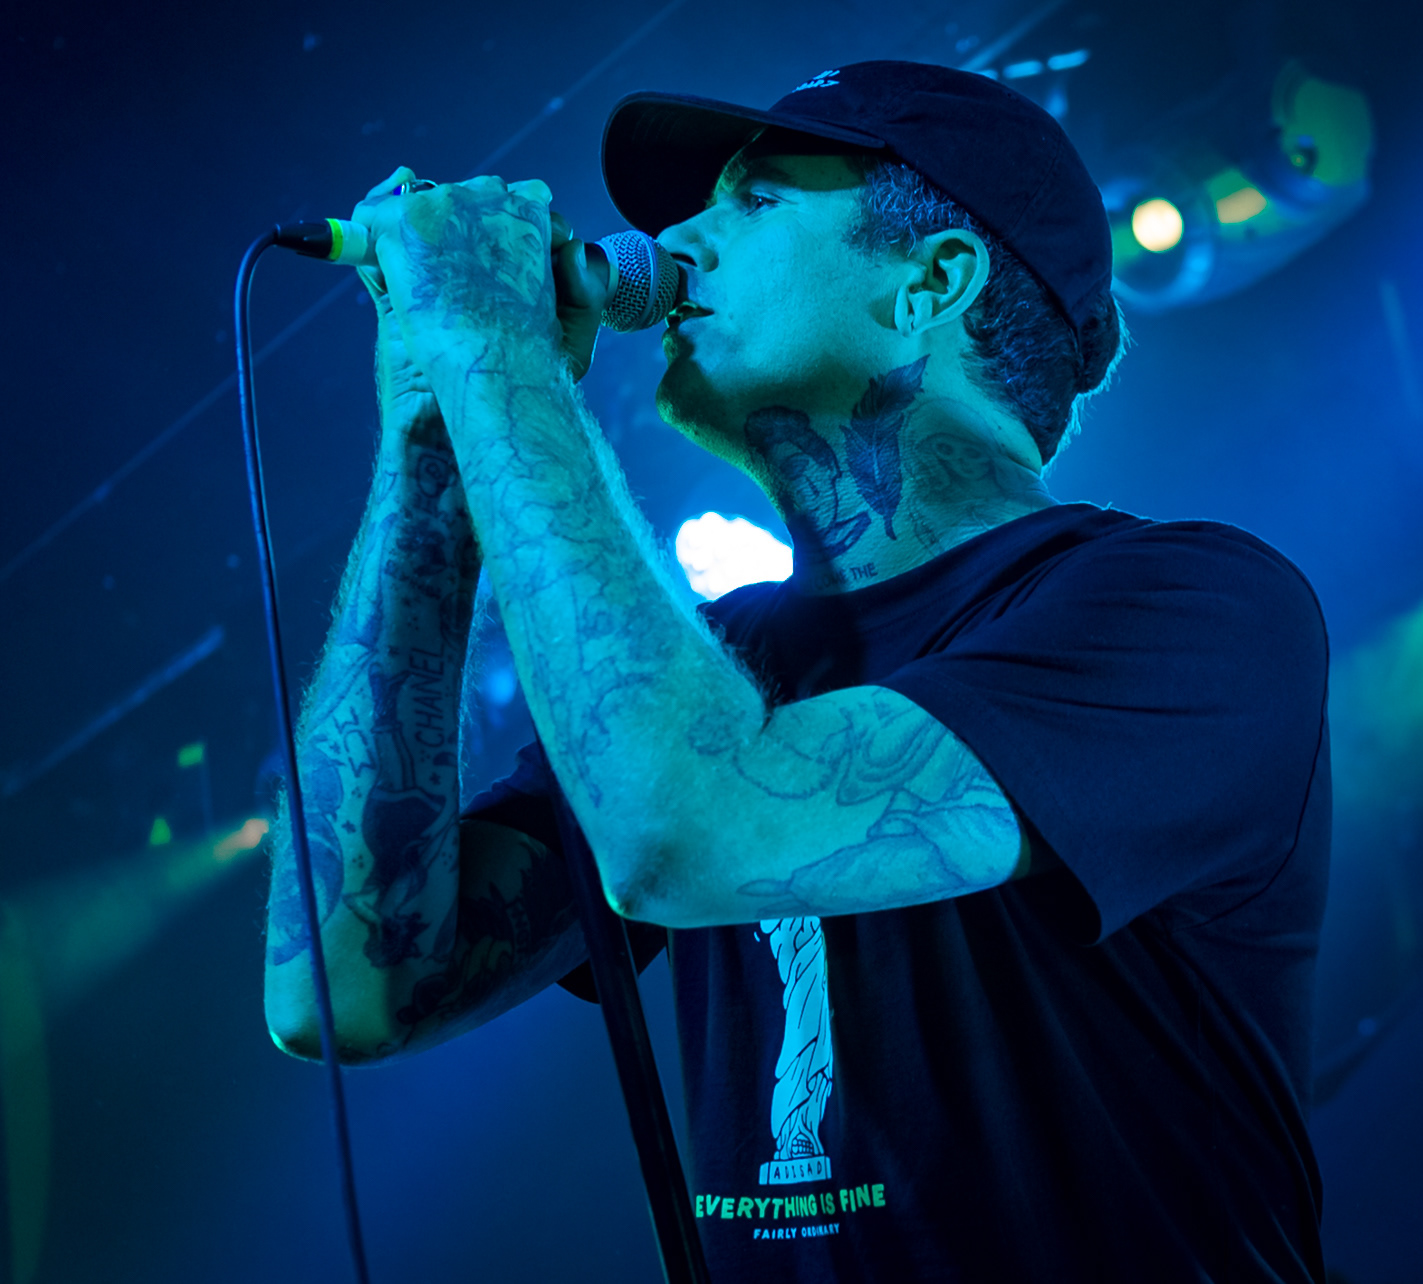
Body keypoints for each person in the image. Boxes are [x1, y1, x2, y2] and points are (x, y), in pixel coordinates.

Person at [263, 60, 1331, 1283]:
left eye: (758, 201)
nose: (677, 240)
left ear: (932, 283)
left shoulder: (1187, 609)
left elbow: (694, 831)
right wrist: (434, 437)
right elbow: (342, 989)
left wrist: (502, 359)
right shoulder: (716, 664)